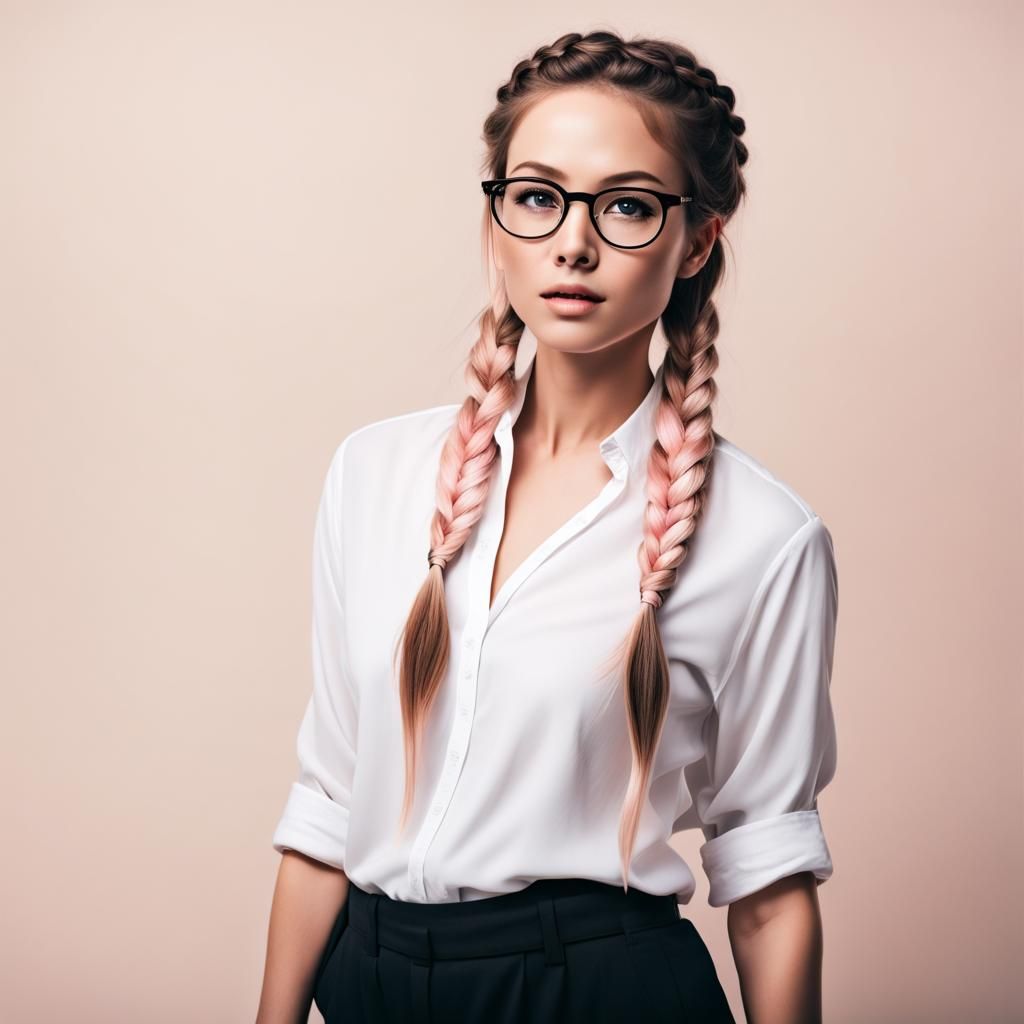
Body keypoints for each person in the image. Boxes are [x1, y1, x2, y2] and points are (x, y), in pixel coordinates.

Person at [256, 28, 839, 1024]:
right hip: (371, 971)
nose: (573, 242)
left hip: (595, 990)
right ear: (498, 221)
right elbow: (324, 807)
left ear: (695, 238)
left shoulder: (763, 536)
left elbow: (768, 876)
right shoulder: (373, 474)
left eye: (625, 205)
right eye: (537, 197)